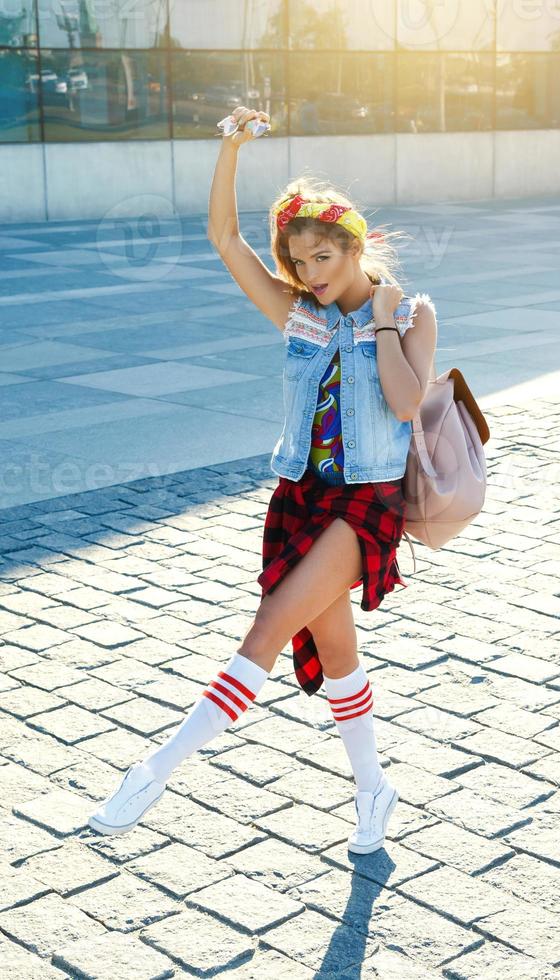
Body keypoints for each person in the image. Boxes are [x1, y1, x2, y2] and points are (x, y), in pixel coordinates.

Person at [88, 105, 437, 854]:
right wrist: (230, 148)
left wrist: (379, 323)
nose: (310, 275)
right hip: (300, 499)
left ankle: (154, 770)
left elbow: (407, 402)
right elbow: (224, 238)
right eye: (300, 262)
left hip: (365, 504)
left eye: (324, 258)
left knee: (270, 625)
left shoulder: (410, 314)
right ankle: (374, 789)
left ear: (355, 245)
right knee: (337, 656)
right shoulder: (298, 316)